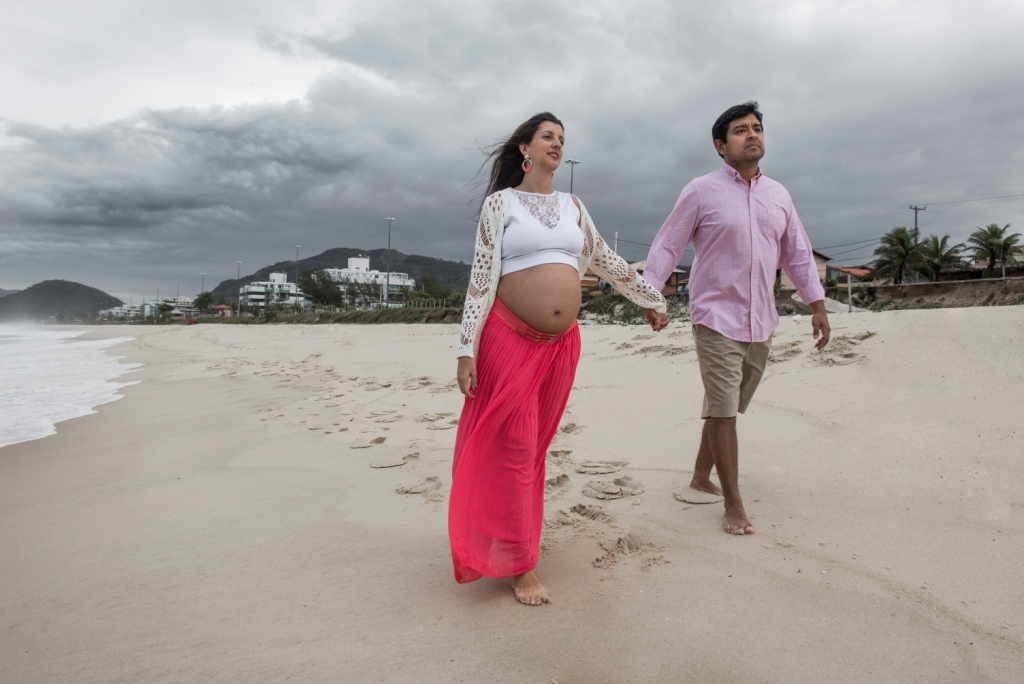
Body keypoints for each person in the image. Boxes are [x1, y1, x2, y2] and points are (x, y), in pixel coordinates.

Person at [450, 112, 669, 605]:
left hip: (561, 346)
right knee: (512, 447)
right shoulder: (500, 204)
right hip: (508, 339)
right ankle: (519, 564)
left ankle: (514, 543)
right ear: (525, 149)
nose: (557, 143)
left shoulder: (573, 206)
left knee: (533, 450)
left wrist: (650, 299)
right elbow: (481, 280)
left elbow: (605, 261)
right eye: (548, 136)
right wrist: (466, 349)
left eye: (562, 139)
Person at [642, 101, 831, 536]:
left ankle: (698, 476)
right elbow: (667, 245)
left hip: (761, 318)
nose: (752, 135)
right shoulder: (700, 191)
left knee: (727, 403)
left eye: (757, 128)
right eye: (741, 130)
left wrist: (816, 305)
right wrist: (650, 295)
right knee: (725, 409)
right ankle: (733, 503)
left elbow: (798, 252)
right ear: (720, 146)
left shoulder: (779, 195)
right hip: (714, 315)